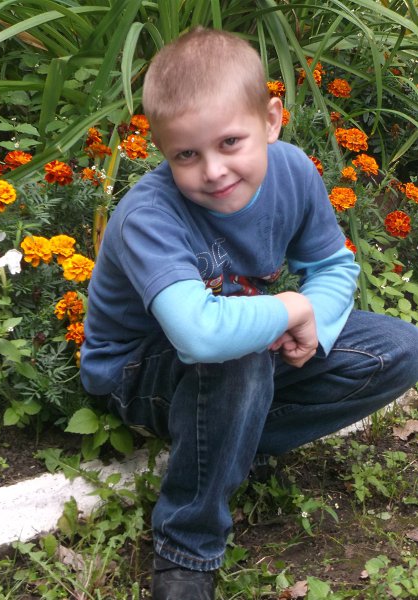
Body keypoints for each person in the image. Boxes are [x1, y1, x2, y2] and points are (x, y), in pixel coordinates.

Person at [80, 27, 418, 600]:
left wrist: (311, 319)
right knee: (237, 355)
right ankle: (187, 547)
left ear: (271, 120)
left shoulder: (292, 172)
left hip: (234, 349)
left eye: (230, 142)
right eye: (187, 155)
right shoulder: (149, 216)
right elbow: (198, 336)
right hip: (139, 373)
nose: (213, 170)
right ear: (163, 152)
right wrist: (289, 306)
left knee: (399, 349)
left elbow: (334, 266)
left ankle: (230, 439)